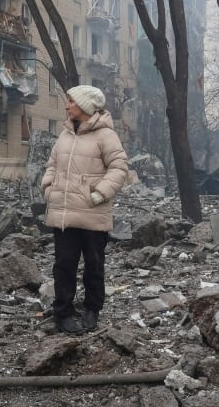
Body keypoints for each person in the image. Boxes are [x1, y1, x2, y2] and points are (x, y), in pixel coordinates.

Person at [41, 85, 128, 334]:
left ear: (86, 106)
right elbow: (52, 164)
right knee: (64, 265)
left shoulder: (106, 135)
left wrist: (100, 193)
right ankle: (63, 313)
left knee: (94, 264)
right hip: (64, 214)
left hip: (93, 213)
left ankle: (92, 310)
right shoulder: (65, 134)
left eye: (71, 102)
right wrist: (49, 187)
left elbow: (119, 167)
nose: (67, 106)